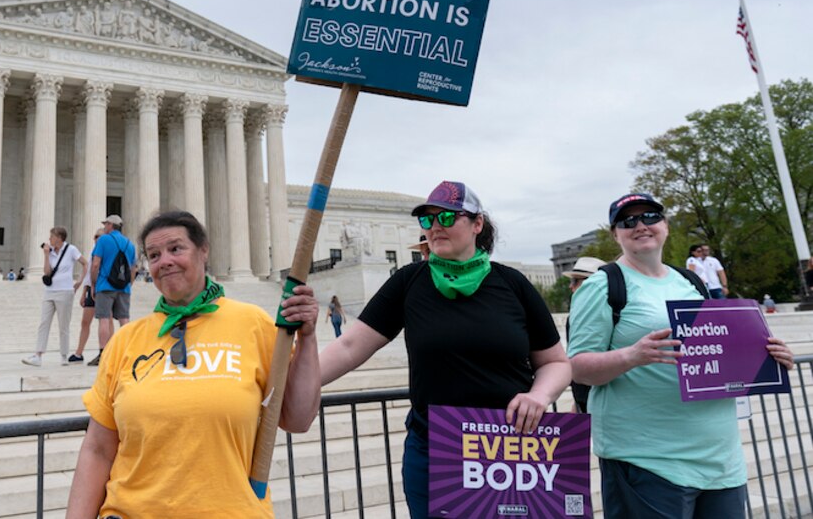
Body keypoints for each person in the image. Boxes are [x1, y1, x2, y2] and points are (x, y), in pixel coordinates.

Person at [318, 180, 571, 518]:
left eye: (448, 218)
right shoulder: (409, 282)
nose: (436, 227)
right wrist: (287, 384)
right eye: (428, 220)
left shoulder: (513, 285)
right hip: (436, 450)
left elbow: (556, 362)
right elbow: (349, 347)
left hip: (512, 449)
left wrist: (539, 395)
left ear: (477, 224)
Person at [65, 210, 320, 518]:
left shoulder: (254, 324)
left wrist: (307, 340)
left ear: (203, 251)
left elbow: (298, 419)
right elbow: (98, 449)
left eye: (176, 248)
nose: (165, 261)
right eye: (154, 255)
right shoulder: (126, 340)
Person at [568, 192, 795, 518]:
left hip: (720, 459)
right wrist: (632, 355)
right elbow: (577, 367)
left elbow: (718, 352)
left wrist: (769, 357)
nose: (641, 225)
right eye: (628, 221)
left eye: (650, 217)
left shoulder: (690, 282)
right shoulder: (603, 285)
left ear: (665, 225)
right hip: (647, 460)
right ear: (614, 234)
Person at [23, 227, 87, 367]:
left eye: (51, 236)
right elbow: (47, 273)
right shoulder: (50, 252)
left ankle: (64, 356)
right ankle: (38, 355)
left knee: (63, 325)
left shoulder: (71, 249)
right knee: (44, 323)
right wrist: (46, 255)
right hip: (49, 291)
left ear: (59, 237)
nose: (49, 239)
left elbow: (85, 263)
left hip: (65, 291)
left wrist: (80, 282)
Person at [87, 215, 137, 367]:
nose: (104, 227)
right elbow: (133, 269)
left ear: (110, 225)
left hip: (105, 285)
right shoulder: (130, 243)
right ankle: (128, 351)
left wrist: (94, 284)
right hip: (124, 287)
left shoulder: (103, 240)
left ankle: (104, 353)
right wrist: (128, 285)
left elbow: (95, 264)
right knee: (124, 319)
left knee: (103, 319)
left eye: (105, 224)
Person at [561, 256, 605, 413]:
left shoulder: (607, 315)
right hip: (584, 397)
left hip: (602, 399)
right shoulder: (575, 315)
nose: (571, 287)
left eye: (576, 281)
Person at [68, 229, 104, 363]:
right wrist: (84, 292)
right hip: (91, 289)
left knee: (104, 321)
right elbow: (89, 274)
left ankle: (105, 351)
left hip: (103, 289)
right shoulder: (93, 251)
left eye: (99, 236)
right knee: (85, 322)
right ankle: (79, 353)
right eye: (95, 236)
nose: (96, 239)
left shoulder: (106, 251)